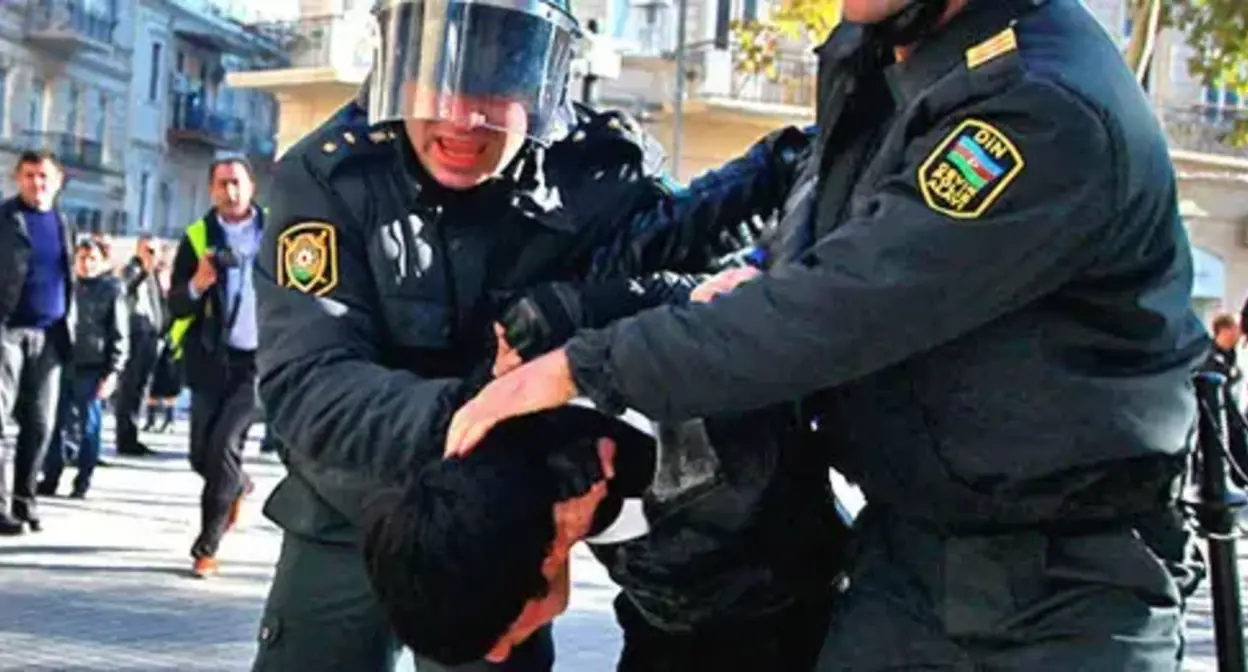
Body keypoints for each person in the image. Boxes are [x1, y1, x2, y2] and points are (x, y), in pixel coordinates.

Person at [446, 0, 1212, 668]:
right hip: (906, 555)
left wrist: (579, 366)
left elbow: (841, 308)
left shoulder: (1039, 103)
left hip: (1060, 588)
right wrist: (744, 278)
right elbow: (821, 235)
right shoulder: (885, 55)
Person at [252, 0, 810, 668]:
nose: (462, 117)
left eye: (494, 80)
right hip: (354, 500)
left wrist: (584, 309)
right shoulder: (328, 176)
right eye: (437, 77)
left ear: (542, 74)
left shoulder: (596, 167)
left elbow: (689, 273)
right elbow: (308, 385)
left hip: (503, 527)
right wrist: (489, 413)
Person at [361, 272, 843, 670]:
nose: (500, 653)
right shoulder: (500, 441)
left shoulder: (718, 471)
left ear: (546, 556)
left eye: (504, 631)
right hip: (669, 621)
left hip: (791, 622)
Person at [166, 157, 264, 577]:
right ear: (211, 190)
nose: (231, 192)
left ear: (252, 186)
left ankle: (206, 547)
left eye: (237, 183)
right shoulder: (198, 236)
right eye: (222, 184)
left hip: (259, 362)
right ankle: (237, 484)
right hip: (211, 359)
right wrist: (197, 283)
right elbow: (176, 303)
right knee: (201, 455)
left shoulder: (275, 231)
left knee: (224, 446)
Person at [0, 150, 76, 536]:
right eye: (29, 175)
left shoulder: (63, 222)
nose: (37, 183)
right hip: (7, 332)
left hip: (50, 335)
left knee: (41, 423)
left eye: (44, 176)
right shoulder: (5, 218)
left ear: (58, 181)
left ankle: (24, 501)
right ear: (18, 179)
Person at [39, 239, 129, 498]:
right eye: (82, 258)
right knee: (54, 423)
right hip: (61, 363)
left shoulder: (111, 290)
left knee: (90, 427)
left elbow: (119, 334)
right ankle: (51, 475)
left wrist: (113, 371)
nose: (86, 264)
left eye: (92, 259)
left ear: (102, 262)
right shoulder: (66, 286)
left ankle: (83, 479)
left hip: (93, 367)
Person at [115, 234, 165, 456]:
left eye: (155, 251)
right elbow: (124, 290)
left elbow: (158, 304)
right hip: (136, 334)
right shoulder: (132, 270)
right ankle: (125, 438)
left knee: (142, 388)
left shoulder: (154, 275)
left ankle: (133, 435)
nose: (152, 256)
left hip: (151, 335)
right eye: (148, 250)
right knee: (130, 387)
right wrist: (143, 271)